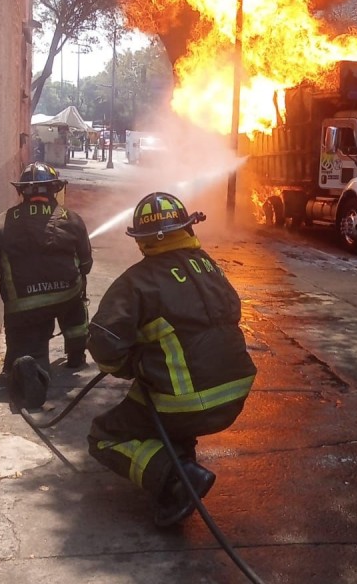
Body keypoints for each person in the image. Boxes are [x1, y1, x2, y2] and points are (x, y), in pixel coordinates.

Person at [86, 192, 257, 527]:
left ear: (142, 240)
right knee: (157, 400)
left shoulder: (136, 281)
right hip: (235, 395)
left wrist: (130, 364)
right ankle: (181, 466)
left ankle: (178, 479)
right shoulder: (211, 266)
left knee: (104, 435)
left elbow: (104, 343)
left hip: (186, 403)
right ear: (187, 227)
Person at [0, 162, 93, 409]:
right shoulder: (72, 219)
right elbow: (86, 264)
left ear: (22, 191)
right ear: (54, 189)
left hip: (23, 305)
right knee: (77, 309)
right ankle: (76, 354)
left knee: (28, 345)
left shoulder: (2, 222)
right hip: (66, 295)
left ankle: (30, 364)